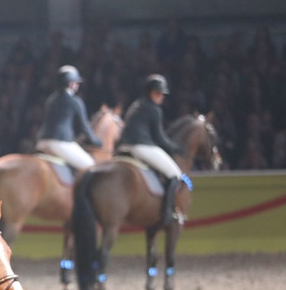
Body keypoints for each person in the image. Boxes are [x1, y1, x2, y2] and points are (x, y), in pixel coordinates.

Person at [118, 74, 185, 225]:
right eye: (157, 93)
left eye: (161, 94)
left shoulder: (137, 104)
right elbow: (160, 139)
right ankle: (167, 214)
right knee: (174, 174)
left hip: (124, 146)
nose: (161, 97)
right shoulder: (154, 110)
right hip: (141, 146)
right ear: (149, 92)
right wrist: (176, 148)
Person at [34, 65, 102, 171]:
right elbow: (84, 127)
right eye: (76, 83)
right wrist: (96, 142)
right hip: (60, 143)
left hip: (42, 142)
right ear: (71, 84)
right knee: (91, 166)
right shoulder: (75, 101)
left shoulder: (51, 99)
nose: (77, 85)